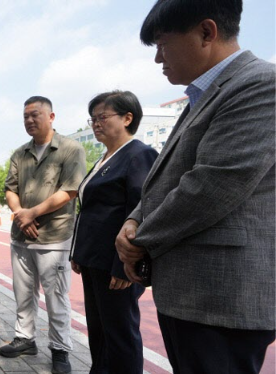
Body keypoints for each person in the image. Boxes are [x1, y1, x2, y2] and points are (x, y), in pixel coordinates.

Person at [114, 1, 275, 373]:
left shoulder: (261, 84)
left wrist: (139, 239)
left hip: (222, 298)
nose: (158, 59)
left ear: (206, 32)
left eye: (162, 44)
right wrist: (134, 219)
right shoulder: (202, 97)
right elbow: (166, 175)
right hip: (193, 293)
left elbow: (213, 184)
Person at [70, 91, 157, 374]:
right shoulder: (104, 159)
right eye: (92, 118)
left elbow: (141, 210)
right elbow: (90, 210)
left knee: (120, 334)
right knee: (99, 330)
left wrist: (124, 264)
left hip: (116, 262)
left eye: (103, 117)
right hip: (94, 260)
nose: (96, 124)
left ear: (127, 118)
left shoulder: (139, 154)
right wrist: (77, 252)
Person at [0, 96, 86, 374]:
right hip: (21, 236)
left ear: (51, 116)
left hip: (54, 236)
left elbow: (70, 191)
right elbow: (10, 189)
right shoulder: (20, 153)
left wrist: (31, 213)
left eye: (35, 115)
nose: (29, 121)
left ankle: (60, 349)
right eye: (25, 116)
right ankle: (25, 338)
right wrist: (21, 215)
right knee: (23, 293)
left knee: (56, 296)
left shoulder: (71, 149)